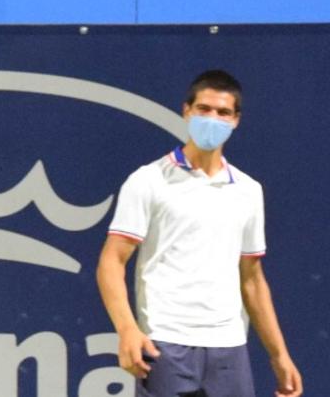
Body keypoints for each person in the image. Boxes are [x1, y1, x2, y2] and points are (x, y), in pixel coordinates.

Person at [96, 70, 302, 397]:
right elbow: (111, 261)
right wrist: (127, 330)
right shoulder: (148, 180)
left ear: (236, 120)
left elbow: (252, 278)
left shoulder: (249, 191)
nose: (212, 118)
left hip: (229, 348)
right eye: (204, 109)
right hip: (165, 342)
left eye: (222, 112)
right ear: (186, 111)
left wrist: (279, 356)